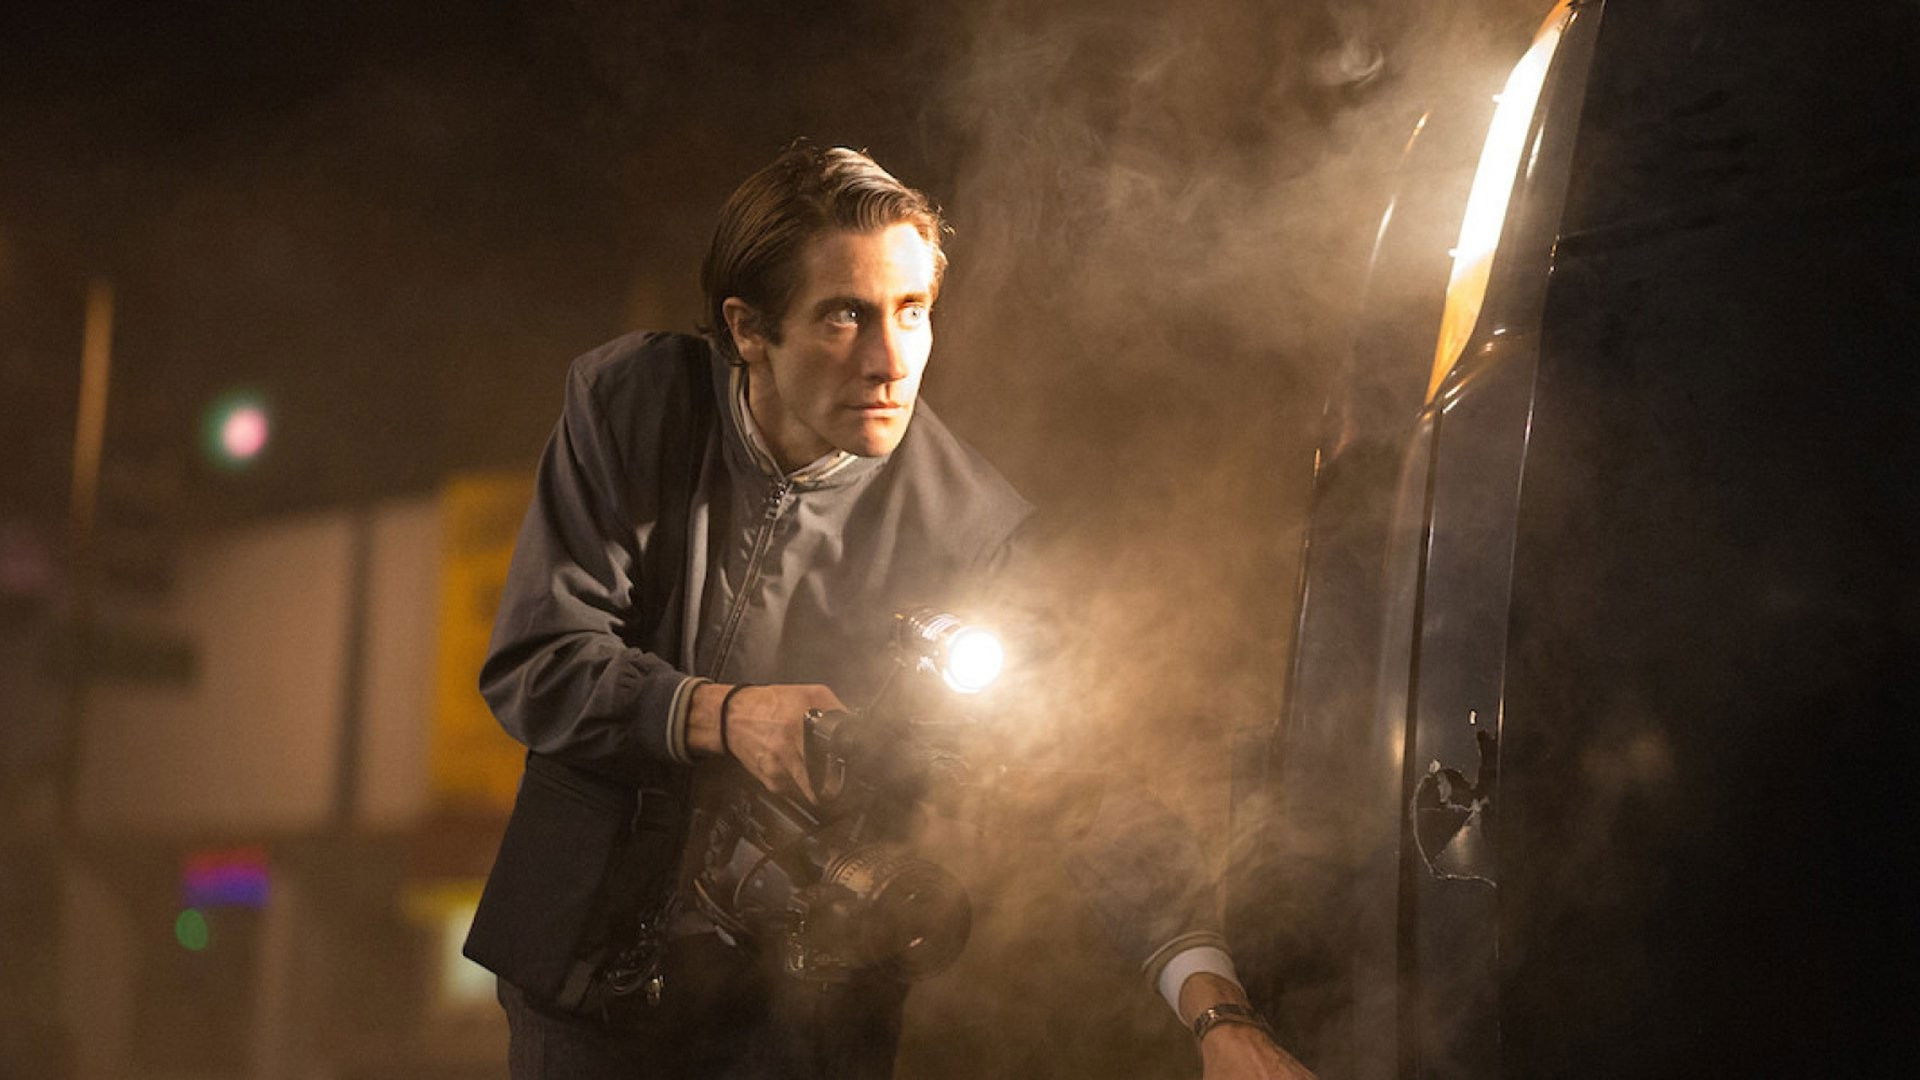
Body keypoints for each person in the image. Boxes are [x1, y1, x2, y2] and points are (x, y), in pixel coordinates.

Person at [465, 142, 1316, 1079]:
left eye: (913, 310)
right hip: (586, 981)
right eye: (845, 315)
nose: (889, 360)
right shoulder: (635, 403)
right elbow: (538, 664)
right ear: (748, 330)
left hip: (807, 1014)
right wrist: (728, 714)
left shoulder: (969, 527)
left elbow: (1085, 781)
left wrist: (1215, 1011)